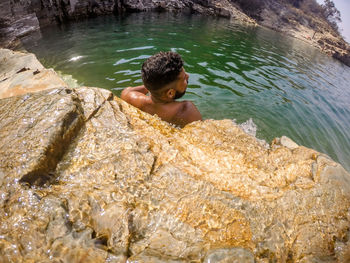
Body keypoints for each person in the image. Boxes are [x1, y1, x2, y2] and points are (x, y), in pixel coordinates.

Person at [121, 51, 202, 127]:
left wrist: (154, 85)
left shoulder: (129, 97)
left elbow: (129, 90)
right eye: (184, 78)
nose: (188, 76)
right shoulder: (186, 110)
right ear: (170, 93)